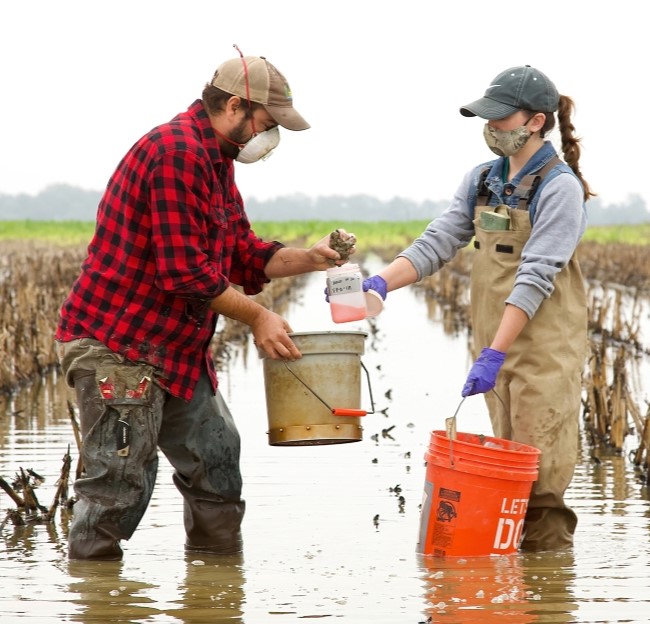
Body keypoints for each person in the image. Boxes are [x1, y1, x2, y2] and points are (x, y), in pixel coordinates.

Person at [55, 48, 354, 560]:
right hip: (119, 347)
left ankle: (215, 590)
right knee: (119, 486)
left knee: (217, 456)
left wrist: (310, 258)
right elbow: (185, 273)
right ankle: (98, 598)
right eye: (267, 121)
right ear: (236, 106)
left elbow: (241, 253)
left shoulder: (216, 162)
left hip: (172, 350)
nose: (269, 135)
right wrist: (259, 316)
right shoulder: (177, 153)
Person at [363, 65, 594, 551]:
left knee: (541, 487)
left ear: (535, 121)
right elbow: (439, 240)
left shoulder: (559, 187)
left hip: (542, 357)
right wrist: (384, 281)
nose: (490, 128)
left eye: (500, 119)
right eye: (485, 119)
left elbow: (535, 277)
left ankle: (550, 594)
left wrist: (495, 352)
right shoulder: (483, 180)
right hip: (497, 352)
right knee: (507, 482)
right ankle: (512, 594)